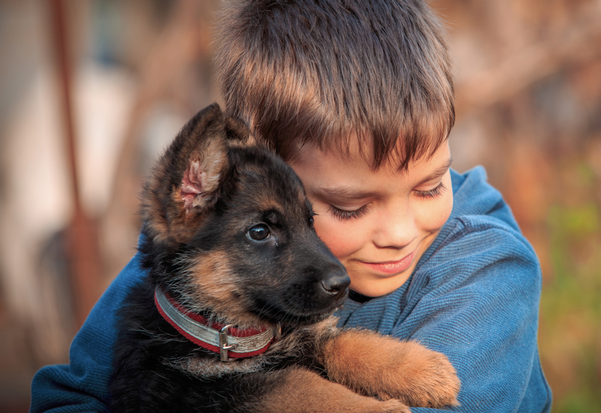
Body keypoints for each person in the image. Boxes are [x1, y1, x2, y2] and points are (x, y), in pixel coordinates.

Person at [31, 0, 552, 411]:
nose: (398, 231)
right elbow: (70, 398)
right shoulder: (197, 248)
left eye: (429, 185)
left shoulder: (486, 272)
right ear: (264, 167)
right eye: (349, 209)